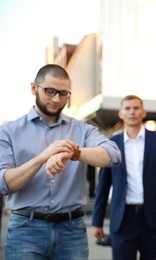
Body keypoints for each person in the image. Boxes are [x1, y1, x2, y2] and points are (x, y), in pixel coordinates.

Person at [0, 64, 121, 259]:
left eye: (64, 94)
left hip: (72, 230)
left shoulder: (81, 128)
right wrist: (43, 157)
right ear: (34, 88)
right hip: (26, 230)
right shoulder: (8, 131)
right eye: (50, 91)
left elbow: (113, 155)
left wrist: (73, 153)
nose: (57, 99)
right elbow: (4, 183)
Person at [92, 95, 156, 260]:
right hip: (123, 219)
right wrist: (97, 221)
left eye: (136, 108)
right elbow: (103, 185)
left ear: (143, 112)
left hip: (154, 218)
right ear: (121, 113)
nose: (132, 112)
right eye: (127, 108)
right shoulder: (111, 144)